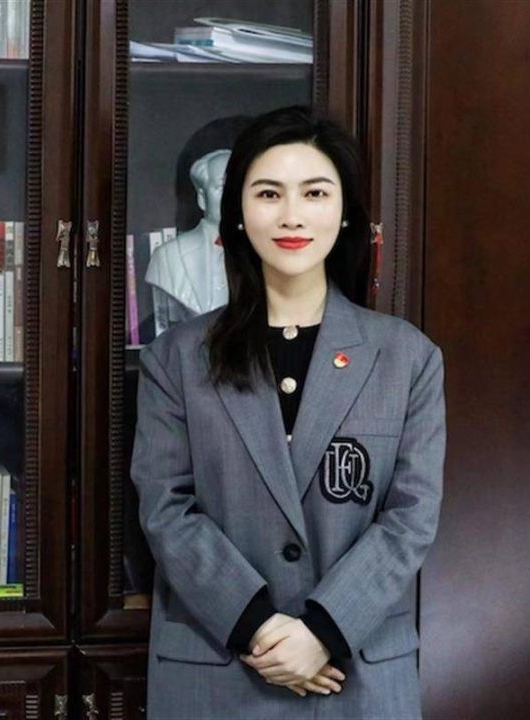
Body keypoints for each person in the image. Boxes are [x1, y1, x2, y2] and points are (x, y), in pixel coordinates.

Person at [130, 105, 446, 719]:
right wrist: (257, 625)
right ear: (237, 213)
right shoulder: (176, 358)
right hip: (219, 671)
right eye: (269, 193)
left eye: (315, 192)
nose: (292, 215)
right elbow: (166, 508)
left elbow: (411, 517)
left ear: (345, 211)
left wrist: (324, 630)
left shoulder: (407, 358)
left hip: (355, 676)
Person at [145, 148, 232, 327]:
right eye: (222, 187)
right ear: (202, 197)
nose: (232, 196)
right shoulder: (168, 256)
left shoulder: (269, 252)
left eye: (240, 186)